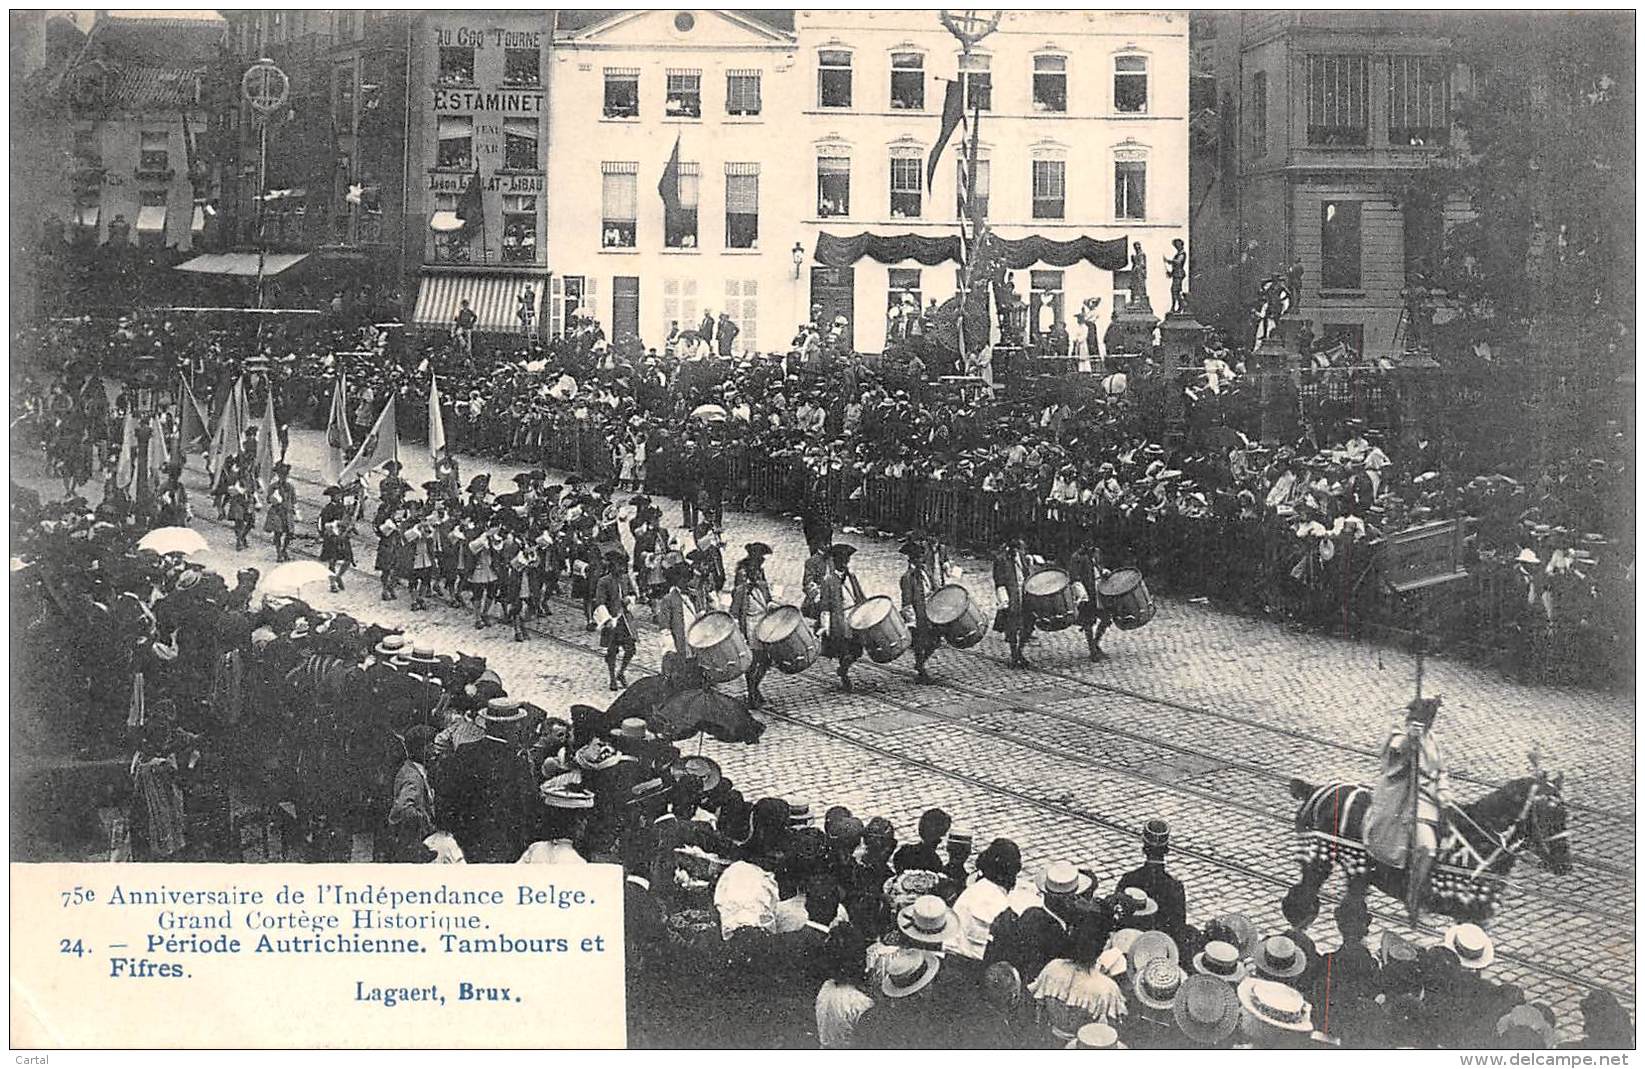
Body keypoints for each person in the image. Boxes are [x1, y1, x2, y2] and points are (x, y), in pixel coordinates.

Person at [1364, 695, 1452, 924]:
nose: (1427, 725)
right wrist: (1409, 741)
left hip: (1432, 800)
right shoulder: (1400, 735)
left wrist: (1443, 791)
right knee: (1427, 848)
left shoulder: (1432, 740)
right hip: (1407, 799)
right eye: (1423, 720)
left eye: (1430, 721)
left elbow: (1441, 770)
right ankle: (1413, 896)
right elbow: (1395, 754)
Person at [1115, 818, 1187, 942]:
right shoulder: (1175, 887)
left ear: (1144, 847)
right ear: (1166, 849)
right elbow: (1178, 928)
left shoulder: (1128, 880)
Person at [730, 542, 774, 710]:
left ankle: (754, 688)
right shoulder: (742, 581)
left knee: (765, 661)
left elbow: (767, 597)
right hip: (750, 625)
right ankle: (752, 691)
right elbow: (736, 607)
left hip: (763, 623)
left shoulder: (761, 579)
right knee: (754, 660)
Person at [819, 543, 865, 692]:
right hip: (840, 620)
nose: (845, 563)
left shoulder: (851, 576)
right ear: (835, 561)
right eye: (842, 560)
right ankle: (845, 676)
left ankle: (843, 669)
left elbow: (860, 595)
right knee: (844, 651)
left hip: (855, 617)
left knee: (857, 651)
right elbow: (825, 606)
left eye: (847, 560)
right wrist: (825, 627)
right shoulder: (828, 581)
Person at [595, 548, 638, 690]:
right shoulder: (603, 582)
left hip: (625, 620)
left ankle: (621, 672)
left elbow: (633, 593)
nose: (621, 568)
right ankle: (612, 678)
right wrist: (607, 620)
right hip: (612, 620)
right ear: (611, 566)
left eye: (622, 565)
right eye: (618, 565)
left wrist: (629, 599)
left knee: (631, 649)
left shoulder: (625, 579)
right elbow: (600, 602)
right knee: (612, 651)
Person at [899, 540, 940, 684]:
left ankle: (920, 663)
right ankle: (921, 669)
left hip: (932, 610)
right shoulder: (907, 577)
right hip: (919, 613)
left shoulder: (926, 570)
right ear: (911, 558)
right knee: (920, 643)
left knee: (935, 641)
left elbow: (935, 587)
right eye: (918, 557)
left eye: (922, 556)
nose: (921, 559)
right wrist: (911, 621)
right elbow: (906, 602)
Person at [991, 535, 1035, 669]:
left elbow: (1026, 573)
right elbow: (999, 582)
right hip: (1011, 597)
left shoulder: (1022, 556)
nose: (1015, 551)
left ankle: (1020, 651)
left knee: (1028, 626)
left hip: (1025, 595)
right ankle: (1014, 654)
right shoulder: (1001, 559)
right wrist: (1004, 600)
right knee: (1012, 627)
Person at [1070, 535, 1113, 662]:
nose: (1089, 544)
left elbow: (1100, 566)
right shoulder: (1077, 557)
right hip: (1087, 592)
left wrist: (1104, 571)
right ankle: (1092, 650)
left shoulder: (1097, 552)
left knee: (1106, 618)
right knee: (1088, 622)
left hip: (1100, 589)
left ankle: (1096, 642)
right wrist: (1081, 594)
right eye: (1086, 542)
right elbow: (1074, 577)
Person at [318, 485, 355, 591]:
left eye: (339, 495)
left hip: (343, 537)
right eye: (336, 495)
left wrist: (349, 527)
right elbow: (323, 523)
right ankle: (332, 584)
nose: (338, 497)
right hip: (332, 537)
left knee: (348, 560)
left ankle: (338, 576)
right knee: (332, 561)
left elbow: (347, 519)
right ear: (332, 496)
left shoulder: (343, 507)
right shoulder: (327, 509)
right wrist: (331, 530)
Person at [263, 462, 299, 562]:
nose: (283, 477)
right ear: (278, 475)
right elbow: (268, 500)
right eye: (281, 475)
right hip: (277, 512)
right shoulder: (273, 486)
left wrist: (295, 511)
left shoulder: (290, 487)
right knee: (278, 533)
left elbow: (294, 500)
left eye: (285, 475)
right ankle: (279, 553)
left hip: (287, 512)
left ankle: (284, 550)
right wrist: (274, 498)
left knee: (289, 534)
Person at [1165, 238, 1188, 314]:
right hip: (1176, 274)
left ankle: (1182, 305)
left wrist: (1169, 261)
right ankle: (1178, 306)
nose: (1176, 246)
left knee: (1175, 291)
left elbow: (1178, 262)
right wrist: (1170, 273)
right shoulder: (1177, 254)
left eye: (1178, 244)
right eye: (1176, 245)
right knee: (1174, 291)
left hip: (1179, 274)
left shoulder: (1182, 253)